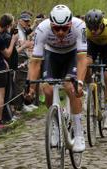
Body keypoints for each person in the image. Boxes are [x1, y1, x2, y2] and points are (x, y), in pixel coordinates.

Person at [25, 4, 88, 152]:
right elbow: (35, 62)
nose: (60, 32)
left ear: (70, 24)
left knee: (70, 87)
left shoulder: (80, 26)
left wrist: (79, 82)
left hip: (72, 55)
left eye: (65, 28)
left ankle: (78, 134)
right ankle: (55, 124)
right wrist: (31, 88)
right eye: (56, 29)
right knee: (46, 89)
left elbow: (82, 59)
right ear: (51, 25)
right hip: (51, 54)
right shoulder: (42, 28)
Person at [84, 9, 107, 130]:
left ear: (102, 24)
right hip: (92, 45)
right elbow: (83, 54)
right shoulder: (86, 30)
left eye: (96, 28)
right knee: (86, 64)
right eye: (90, 28)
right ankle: (89, 90)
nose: (93, 31)